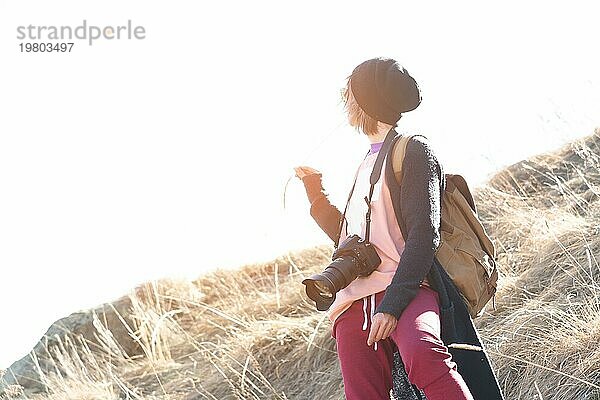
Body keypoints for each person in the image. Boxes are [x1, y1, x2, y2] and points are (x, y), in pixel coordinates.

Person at [294, 57, 504, 400]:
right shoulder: (365, 162)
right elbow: (351, 239)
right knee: (362, 394)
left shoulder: (413, 150)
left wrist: (392, 306)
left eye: (349, 95)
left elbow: (425, 233)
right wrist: (314, 191)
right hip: (354, 300)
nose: (346, 104)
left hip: (406, 286)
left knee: (425, 356)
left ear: (366, 101)